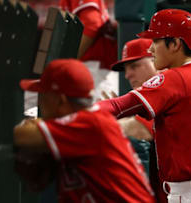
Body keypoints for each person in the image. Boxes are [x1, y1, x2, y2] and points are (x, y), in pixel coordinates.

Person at [98, 9, 191, 202]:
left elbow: (119, 106)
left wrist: (74, 114)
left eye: (156, 42)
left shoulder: (175, 77)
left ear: (176, 44)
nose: (151, 49)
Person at [13, 59, 155, 202]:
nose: (40, 102)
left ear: (60, 100)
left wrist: (37, 123)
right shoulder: (88, 123)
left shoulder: (90, 123)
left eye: (42, 96)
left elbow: (22, 135)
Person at [108, 38, 168, 203]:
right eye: (126, 69)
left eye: (134, 66)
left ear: (155, 61)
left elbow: (139, 131)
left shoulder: (167, 88)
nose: (128, 75)